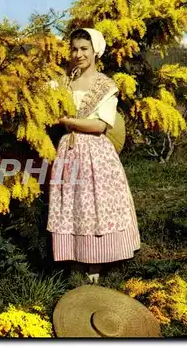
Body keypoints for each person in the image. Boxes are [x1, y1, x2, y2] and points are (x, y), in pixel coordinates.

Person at [47, 28, 140, 284]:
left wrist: (66, 119)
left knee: (94, 206)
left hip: (94, 152)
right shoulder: (62, 83)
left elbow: (100, 125)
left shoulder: (105, 86)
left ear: (95, 51)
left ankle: (95, 266)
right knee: (72, 204)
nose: (78, 54)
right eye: (75, 49)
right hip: (68, 150)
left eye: (84, 49)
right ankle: (75, 260)